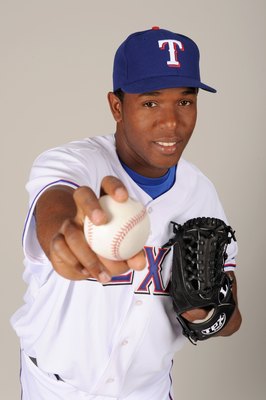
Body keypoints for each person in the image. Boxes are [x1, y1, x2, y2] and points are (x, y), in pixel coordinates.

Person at [11, 27, 242, 400]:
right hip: (54, 390)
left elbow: (231, 321)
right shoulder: (74, 163)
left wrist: (204, 313)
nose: (171, 123)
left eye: (185, 101)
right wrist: (63, 234)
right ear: (117, 107)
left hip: (148, 391)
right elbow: (56, 205)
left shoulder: (203, 195)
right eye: (151, 103)